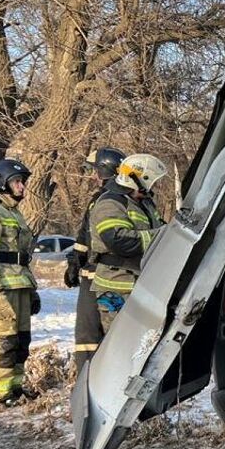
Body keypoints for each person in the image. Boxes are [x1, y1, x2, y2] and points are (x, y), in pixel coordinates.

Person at [88, 153, 168, 333]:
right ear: (139, 179)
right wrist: (162, 236)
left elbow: (161, 228)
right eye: (152, 181)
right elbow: (120, 241)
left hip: (140, 284)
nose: (154, 186)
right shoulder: (110, 203)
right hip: (117, 287)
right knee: (119, 343)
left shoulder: (143, 203)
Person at [65, 147, 125, 372]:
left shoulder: (103, 199)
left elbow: (86, 236)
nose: (92, 176)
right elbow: (83, 239)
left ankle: (87, 377)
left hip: (97, 277)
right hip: (113, 276)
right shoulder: (124, 199)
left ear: (104, 171)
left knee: (88, 332)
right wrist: (75, 260)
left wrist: (76, 261)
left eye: (95, 171)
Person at [0, 158, 39, 405]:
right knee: (3, 341)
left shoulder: (13, 211)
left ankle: (14, 388)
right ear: (2, 182)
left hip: (19, 285)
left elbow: (21, 256)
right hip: (1, 289)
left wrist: (32, 291)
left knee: (21, 339)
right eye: (17, 182)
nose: (22, 187)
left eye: (23, 182)